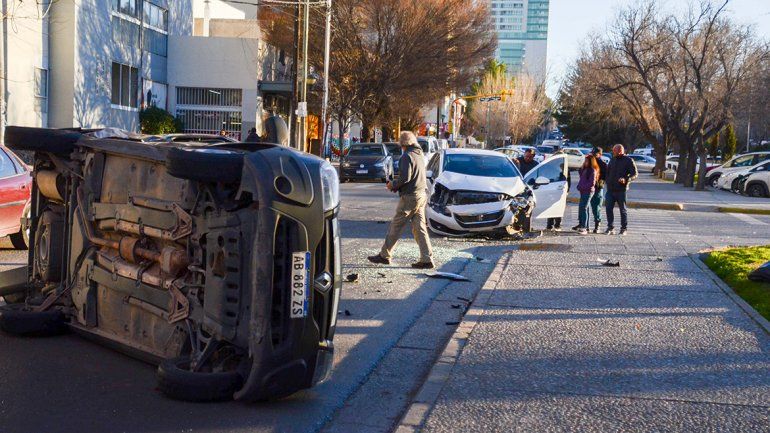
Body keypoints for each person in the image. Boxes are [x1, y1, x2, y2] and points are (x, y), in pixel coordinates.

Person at [368, 131, 434, 269]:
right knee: (420, 228)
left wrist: (392, 185)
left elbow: (405, 178)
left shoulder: (406, 156)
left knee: (396, 226)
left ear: (403, 143)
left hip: (410, 197)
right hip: (421, 194)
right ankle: (426, 258)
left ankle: (384, 255)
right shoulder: (419, 154)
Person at [605, 144, 638, 235]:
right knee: (608, 208)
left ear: (620, 151)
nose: (613, 152)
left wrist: (626, 179)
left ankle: (624, 228)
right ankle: (610, 227)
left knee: (622, 210)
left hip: (621, 190)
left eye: (614, 151)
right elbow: (608, 172)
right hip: (610, 189)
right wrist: (607, 181)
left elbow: (634, 174)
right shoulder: (612, 160)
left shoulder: (628, 160)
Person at [573, 154, 599, 234]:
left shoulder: (592, 171)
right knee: (585, 208)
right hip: (583, 191)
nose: (585, 162)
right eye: (585, 161)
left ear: (591, 162)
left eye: (586, 161)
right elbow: (581, 177)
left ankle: (584, 227)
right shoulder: (585, 169)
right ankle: (586, 227)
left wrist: (582, 187)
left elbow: (592, 183)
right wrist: (582, 167)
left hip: (588, 192)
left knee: (583, 208)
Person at [590, 147, 608, 233]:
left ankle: (597, 224)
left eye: (595, 154)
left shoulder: (603, 164)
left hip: (597, 188)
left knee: (596, 207)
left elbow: (605, 177)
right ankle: (583, 224)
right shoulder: (589, 162)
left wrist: (599, 182)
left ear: (600, 154)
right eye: (592, 153)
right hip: (588, 187)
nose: (593, 155)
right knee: (586, 206)